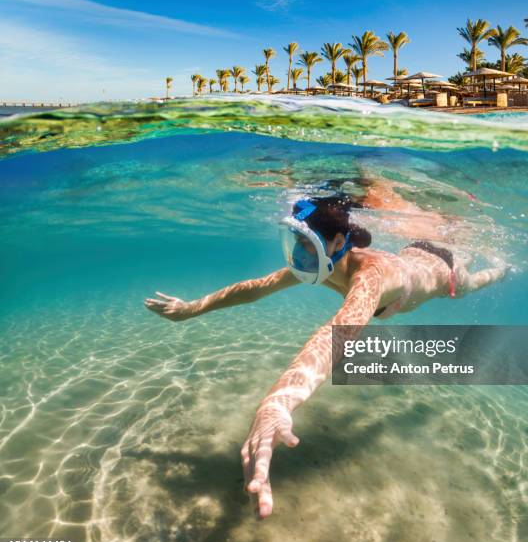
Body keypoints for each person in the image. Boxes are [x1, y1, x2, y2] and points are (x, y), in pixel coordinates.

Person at [144, 194, 506, 519]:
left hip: (444, 271)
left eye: (305, 245)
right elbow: (257, 288)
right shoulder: (323, 260)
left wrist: (279, 403)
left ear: (335, 241)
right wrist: (193, 307)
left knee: (470, 285)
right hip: (415, 250)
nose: (297, 256)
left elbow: (337, 334)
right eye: (295, 244)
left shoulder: (370, 277)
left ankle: (501, 268)